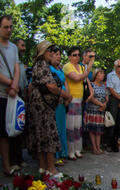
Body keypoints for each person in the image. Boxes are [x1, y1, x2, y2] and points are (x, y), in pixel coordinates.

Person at [27, 40, 71, 176]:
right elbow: (50, 86)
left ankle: (42, 167)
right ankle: (51, 168)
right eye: (50, 50)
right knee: (48, 135)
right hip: (43, 107)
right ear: (43, 52)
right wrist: (64, 94)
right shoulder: (42, 65)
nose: (52, 53)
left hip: (40, 105)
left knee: (41, 135)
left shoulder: (40, 65)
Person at [63, 46, 93, 160]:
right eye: (74, 55)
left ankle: (77, 149)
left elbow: (85, 79)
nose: (77, 57)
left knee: (77, 126)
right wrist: (89, 66)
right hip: (71, 98)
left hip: (80, 99)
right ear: (69, 56)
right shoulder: (67, 66)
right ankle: (70, 151)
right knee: (70, 126)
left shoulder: (80, 67)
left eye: (78, 55)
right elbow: (77, 78)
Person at [0, 15, 20, 176]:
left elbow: (17, 67)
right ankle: (6, 165)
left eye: (11, 27)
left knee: (8, 130)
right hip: (1, 92)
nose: (9, 30)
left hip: (12, 94)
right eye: (5, 27)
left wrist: (15, 84)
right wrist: (10, 83)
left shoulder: (13, 47)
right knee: (1, 131)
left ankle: (10, 164)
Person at [9, 38, 28, 172]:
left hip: (21, 98)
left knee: (20, 128)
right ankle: (12, 160)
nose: (24, 48)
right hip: (11, 96)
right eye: (22, 46)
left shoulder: (21, 64)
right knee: (11, 129)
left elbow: (25, 82)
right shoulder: (10, 62)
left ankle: (19, 158)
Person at [50, 47, 71, 165]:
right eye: (56, 54)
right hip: (55, 101)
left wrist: (68, 95)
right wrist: (65, 95)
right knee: (55, 127)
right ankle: (55, 155)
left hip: (63, 101)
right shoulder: (49, 69)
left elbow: (65, 82)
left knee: (62, 127)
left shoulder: (60, 69)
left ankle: (62, 152)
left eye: (59, 54)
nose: (58, 56)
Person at [84, 68, 108, 154]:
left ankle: (98, 147)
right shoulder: (91, 84)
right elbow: (91, 98)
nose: (102, 75)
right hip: (92, 110)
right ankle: (94, 148)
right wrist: (101, 104)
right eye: (100, 73)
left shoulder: (103, 85)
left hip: (101, 111)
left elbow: (106, 97)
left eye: (103, 74)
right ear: (96, 75)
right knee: (92, 129)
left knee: (99, 130)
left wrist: (104, 104)